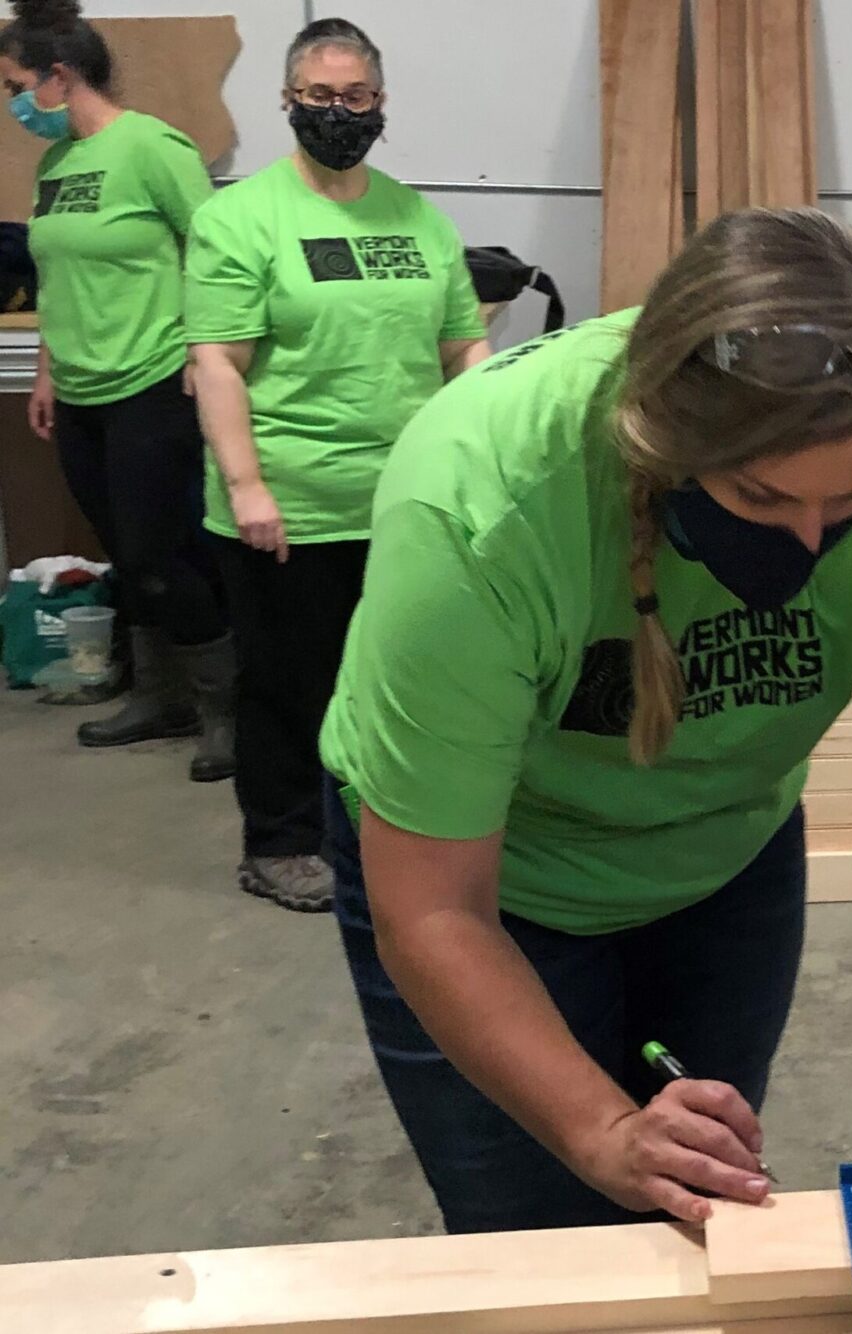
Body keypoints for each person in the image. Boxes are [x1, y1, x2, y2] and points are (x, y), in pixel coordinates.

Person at [319, 208, 852, 1234]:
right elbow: (433, 908)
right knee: (544, 1243)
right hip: (493, 888)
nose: (811, 541)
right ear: (665, 440)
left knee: (696, 1198)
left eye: (843, 505)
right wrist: (599, 1128)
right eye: (763, 498)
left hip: (725, 856)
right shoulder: (479, 498)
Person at [185, 18, 490, 913]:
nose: (338, 112)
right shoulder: (240, 218)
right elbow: (216, 365)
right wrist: (247, 485)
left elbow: (464, 348)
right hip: (291, 502)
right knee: (289, 680)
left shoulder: (418, 217)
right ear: (287, 101)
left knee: (396, 679)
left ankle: (376, 830)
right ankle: (279, 841)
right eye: (319, 97)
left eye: (355, 97)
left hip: (407, 503)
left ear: (380, 103)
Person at [2, 0, 233, 778]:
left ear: (61, 77)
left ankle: (225, 709)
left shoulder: (153, 148)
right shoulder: (56, 163)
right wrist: (45, 370)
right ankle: (158, 696)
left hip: (152, 381)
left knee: (161, 549)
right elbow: (55, 276)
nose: (14, 105)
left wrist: (207, 357)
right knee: (125, 556)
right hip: (79, 392)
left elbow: (218, 254)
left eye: (17, 85)